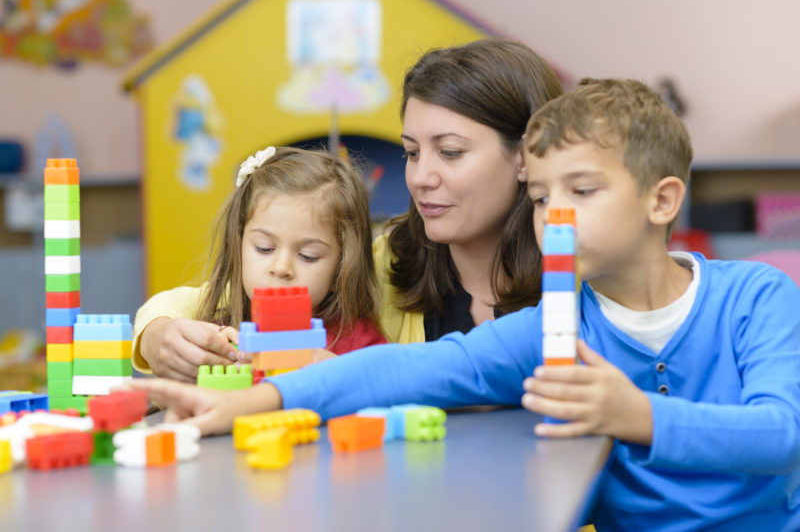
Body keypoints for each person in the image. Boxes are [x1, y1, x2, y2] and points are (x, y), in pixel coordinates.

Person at [130, 78, 800, 529]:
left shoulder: (755, 295)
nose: (554, 214)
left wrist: (635, 414)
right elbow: (402, 371)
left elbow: (782, 435)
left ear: (661, 201)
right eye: (540, 196)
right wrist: (246, 402)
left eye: (583, 190)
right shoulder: (549, 329)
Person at [132, 38, 564, 378]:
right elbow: (202, 300)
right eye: (412, 153)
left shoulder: (573, 270)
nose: (420, 177)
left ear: (526, 157)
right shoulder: (382, 263)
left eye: (449, 152)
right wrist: (158, 335)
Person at [134, 146, 386, 381]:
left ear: (341, 267)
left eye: (308, 255)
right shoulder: (219, 335)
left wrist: (340, 375)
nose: (281, 268)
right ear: (239, 245)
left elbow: (390, 390)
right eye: (264, 248)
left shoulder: (358, 344)